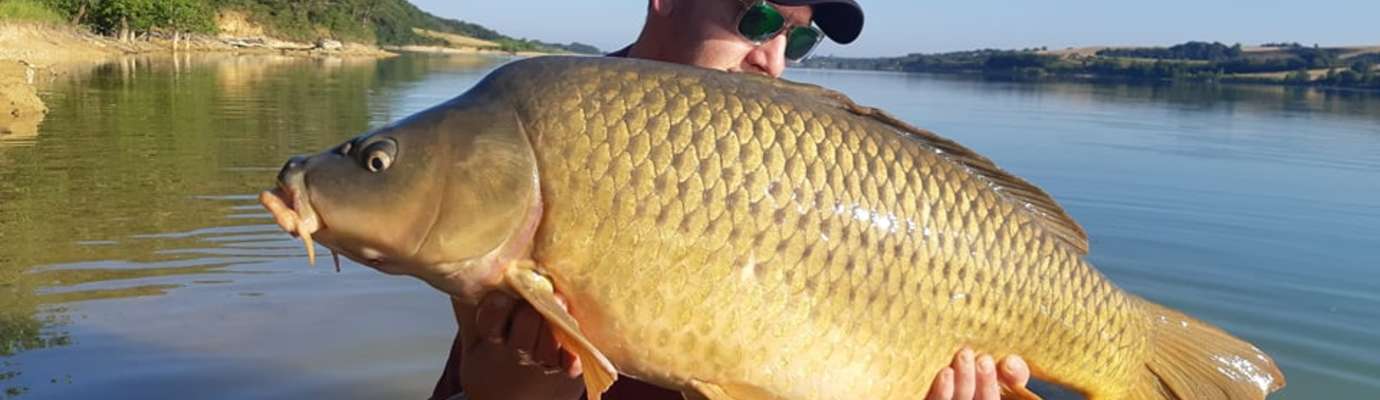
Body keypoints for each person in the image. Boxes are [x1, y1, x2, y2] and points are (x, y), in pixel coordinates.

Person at [431, 1, 1033, 399]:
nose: (770, 58)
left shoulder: (815, 155)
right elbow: (488, 383)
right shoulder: (548, 123)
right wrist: (527, 367)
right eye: (757, 16)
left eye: (798, 39)